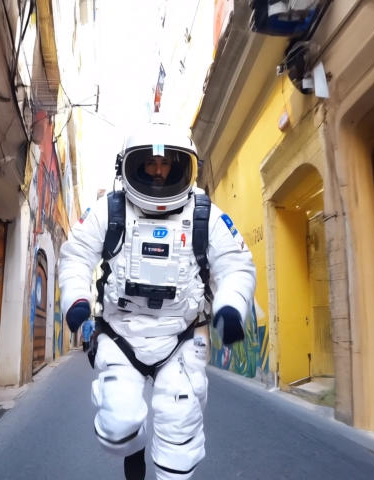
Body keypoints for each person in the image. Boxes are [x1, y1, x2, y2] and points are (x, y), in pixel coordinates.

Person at [58, 123, 256, 480]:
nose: (159, 170)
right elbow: (76, 255)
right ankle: (133, 446)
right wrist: (76, 300)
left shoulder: (204, 215)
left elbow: (235, 264)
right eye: (150, 162)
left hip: (181, 336)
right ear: (130, 166)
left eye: (166, 163)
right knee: (117, 427)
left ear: (182, 166)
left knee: (179, 429)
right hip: (121, 333)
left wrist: (230, 307)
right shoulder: (110, 210)